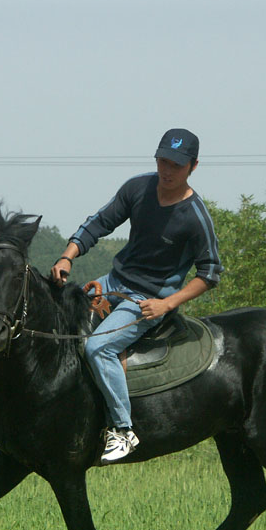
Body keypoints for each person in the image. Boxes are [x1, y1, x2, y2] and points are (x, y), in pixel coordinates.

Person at [50, 128, 223, 463]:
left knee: (97, 347)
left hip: (147, 300)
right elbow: (99, 223)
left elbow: (210, 273)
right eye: (162, 160)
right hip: (113, 282)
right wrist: (67, 256)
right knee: (60, 323)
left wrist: (167, 304)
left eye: (176, 164)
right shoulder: (138, 188)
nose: (167, 170)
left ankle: (123, 430)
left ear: (193, 166)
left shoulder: (196, 217)